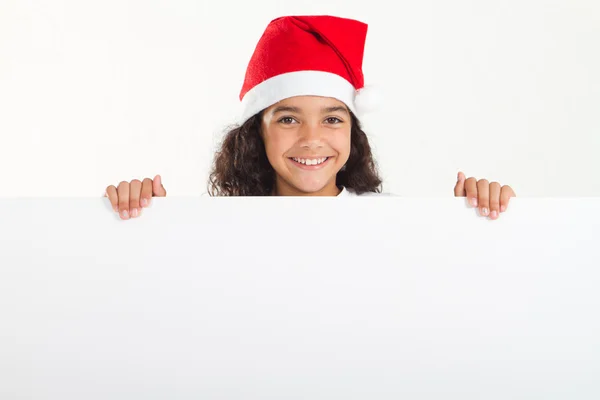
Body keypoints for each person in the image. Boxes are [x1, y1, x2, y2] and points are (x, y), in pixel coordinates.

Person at [104, 15, 516, 220]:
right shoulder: (220, 228)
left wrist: (476, 219)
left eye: (332, 119)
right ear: (255, 134)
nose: (311, 137)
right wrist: (143, 224)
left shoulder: (391, 222)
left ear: (353, 133)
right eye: (287, 119)